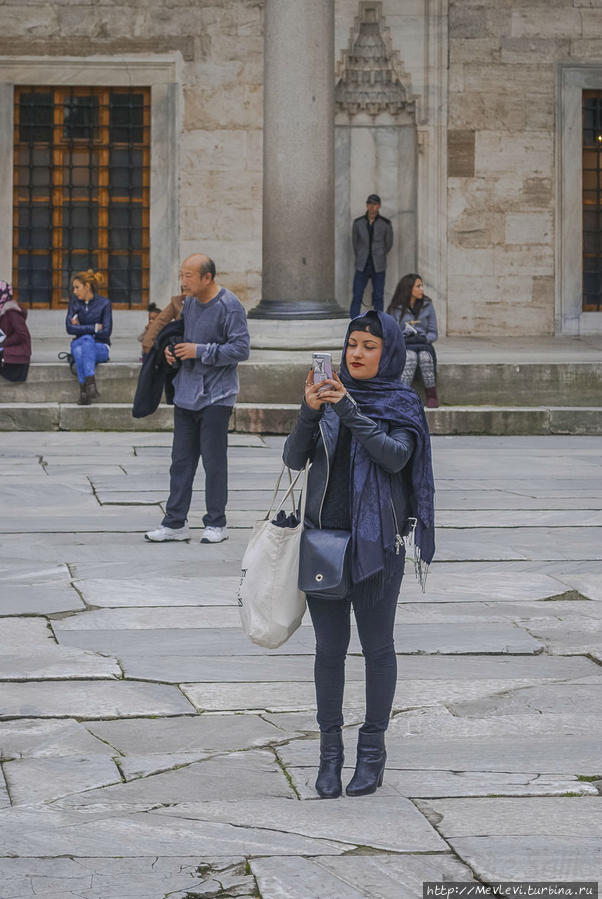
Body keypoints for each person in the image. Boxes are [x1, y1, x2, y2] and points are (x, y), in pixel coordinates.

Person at [283, 310, 435, 799]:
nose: (357, 354)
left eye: (369, 346)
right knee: (328, 651)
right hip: (325, 542)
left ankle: (372, 753)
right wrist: (310, 410)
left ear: (387, 351)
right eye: (352, 344)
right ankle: (330, 756)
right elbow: (293, 458)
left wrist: (348, 408)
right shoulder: (328, 397)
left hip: (377, 544)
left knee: (376, 649)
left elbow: (394, 456)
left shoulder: (401, 401)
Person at [145, 254, 250, 545]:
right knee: (180, 461)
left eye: (189, 275)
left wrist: (199, 351)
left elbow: (241, 349)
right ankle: (175, 523)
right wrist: (173, 352)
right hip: (186, 393)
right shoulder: (189, 303)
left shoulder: (229, 306)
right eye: (182, 274)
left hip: (218, 396)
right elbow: (186, 340)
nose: (184, 281)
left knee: (214, 462)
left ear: (208, 278)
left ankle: (217, 523)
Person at [387, 273, 439, 409]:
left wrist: (424, 338)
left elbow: (434, 333)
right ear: (408, 288)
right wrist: (405, 335)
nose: (421, 289)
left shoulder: (427, 305)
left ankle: (431, 394)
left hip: (423, 344)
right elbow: (391, 333)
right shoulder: (396, 308)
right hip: (405, 344)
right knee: (410, 357)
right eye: (418, 286)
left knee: (424, 357)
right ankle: (401, 395)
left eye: (422, 286)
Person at [65, 270, 112, 405]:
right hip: (78, 344)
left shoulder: (104, 303)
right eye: (73, 288)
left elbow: (107, 332)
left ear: (87, 286)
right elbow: (69, 328)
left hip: (101, 347)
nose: (74, 291)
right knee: (84, 344)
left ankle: (84, 391)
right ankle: (90, 385)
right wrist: (94, 328)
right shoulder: (74, 303)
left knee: (85, 343)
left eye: (77, 287)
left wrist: (81, 329)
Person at [350, 194, 393, 319]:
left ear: (379, 206)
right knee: (357, 294)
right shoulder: (358, 223)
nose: (372, 207)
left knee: (378, 295)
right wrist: (362, 255)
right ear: (366, 205)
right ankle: (354, 321)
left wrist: (379, 253)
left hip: (378, 265)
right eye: (369, 204)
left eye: (374, 204)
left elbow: (388, 243)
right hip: (362, 264)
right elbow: (355, 243)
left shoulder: (385, 223)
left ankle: (378, 322)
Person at [0, 281, 31, 382]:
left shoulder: (12, 312)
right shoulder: (2, 311)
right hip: (8, 353)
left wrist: (3, 343)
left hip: (16, 358)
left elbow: (22, 335)